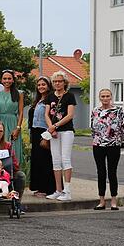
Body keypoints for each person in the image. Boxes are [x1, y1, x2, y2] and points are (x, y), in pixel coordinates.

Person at [90, 88, 124, 210]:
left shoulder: (118, 111)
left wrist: (118, 141)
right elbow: (92, 128)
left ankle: (114, 200)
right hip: (98, 145)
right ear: (100, 98)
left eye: (107, 96)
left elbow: (123, 128)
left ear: (111, 97)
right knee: (101, 172)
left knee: (112, 172)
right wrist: (97, 139)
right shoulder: (95, 111)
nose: (105, 98)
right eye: (103, 96)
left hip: (113, 145)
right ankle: (101, 200)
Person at [44, 71, 76, 201]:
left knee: (65, 159)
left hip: (66, 131)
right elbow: (46, 114)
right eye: (55, 81)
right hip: (54, 132)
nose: (57, 83)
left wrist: (55, 126)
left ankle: (67, 191)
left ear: (64, 82)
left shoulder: (70, 96)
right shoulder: (50, 96)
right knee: (56, 160)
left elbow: (70, 115)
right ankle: (58, 190)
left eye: (60, 81)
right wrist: (51, 128)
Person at [28, 76, 56, 197]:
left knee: (45, 161)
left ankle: (47, 189)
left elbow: (53, 118)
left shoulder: (51, 100)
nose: (41, 87)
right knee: (37, 161)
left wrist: (47, 135)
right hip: (35, 132)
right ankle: (39, 187)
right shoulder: (38, 100)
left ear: (49, 86)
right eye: (39, 85)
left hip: (45, 132)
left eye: (43, 84)